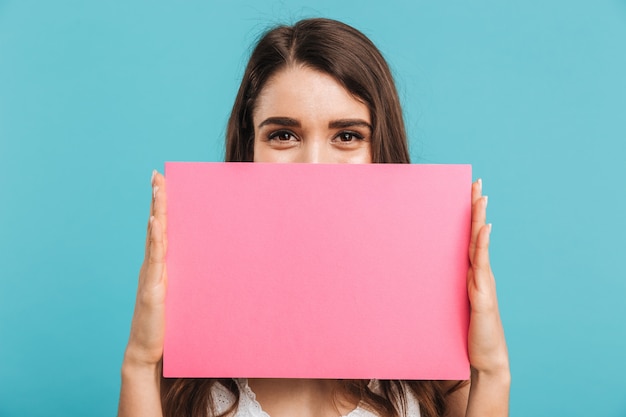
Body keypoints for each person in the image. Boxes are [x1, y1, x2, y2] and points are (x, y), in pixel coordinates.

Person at [118, 18, 510, 417]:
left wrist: (492, 371)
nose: (315, 165)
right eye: (284, 135)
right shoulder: (194, 340)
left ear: (381, 150)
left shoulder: (430, 343)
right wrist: (140, 362)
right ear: (249, 147)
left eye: (347, 135)